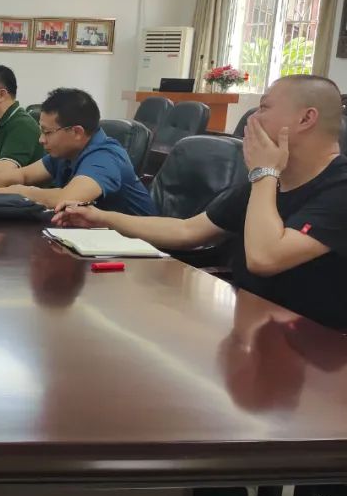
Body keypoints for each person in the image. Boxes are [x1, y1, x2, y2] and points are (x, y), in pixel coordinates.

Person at [55, 75, 347, 331]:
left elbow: (265, 259)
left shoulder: (336, 187)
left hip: (318, 348)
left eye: (264, 108)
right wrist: (102, 218)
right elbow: (187, 231)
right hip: (253, 325)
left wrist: (264, 172)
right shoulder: (269, 181)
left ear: (306, 119)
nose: (252, 120)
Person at [0, 87, 156, 215]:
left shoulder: (105, 157)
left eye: (47, 132)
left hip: (140, 252)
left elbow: (66, 199)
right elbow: (24, 175)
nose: (41, 139)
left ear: (77, 132)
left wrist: (20, 192)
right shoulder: (66, 152)